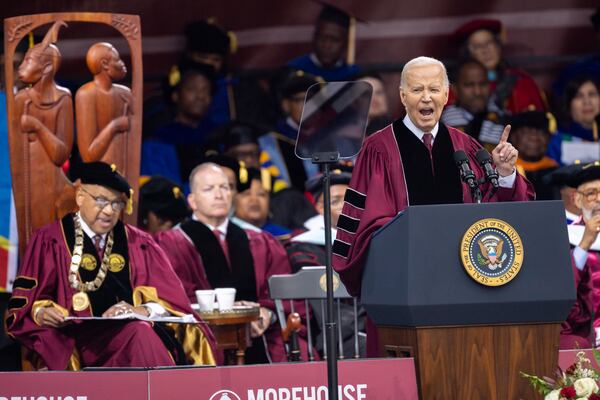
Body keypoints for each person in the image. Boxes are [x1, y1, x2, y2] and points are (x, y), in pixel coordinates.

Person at [332, 56, 535, 356]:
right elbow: (364, 225)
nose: (426, 97)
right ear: (402, 96)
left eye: (433, 89)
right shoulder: (378, 149)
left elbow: (499, 219)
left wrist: (505, 174)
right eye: (416, 90)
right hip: (404, 291)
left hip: (468, 287)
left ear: (446, 95)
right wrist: (414, 233)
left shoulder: (466, 148)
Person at [4, 162, 217, 370]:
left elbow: (172, 300)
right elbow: (24, 303)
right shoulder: (50, 240)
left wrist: (140, 309)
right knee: (140, 333)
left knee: (141, 331)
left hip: (132, 333)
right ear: (80, 197)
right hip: (76, 341)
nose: (108, 211)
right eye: (101, 200)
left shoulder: (139, 242)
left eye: (117, 204)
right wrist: (42, 312)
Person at [155, 163, 313, 363]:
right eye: (209, 189)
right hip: (204, 333)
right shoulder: (171, 244)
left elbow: (284, 291)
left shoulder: (260, 241)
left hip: (260, 334)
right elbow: (175, 297)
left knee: (295, 351)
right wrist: (226, 312)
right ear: (192, 201)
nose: (219, 194)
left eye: (225, 187)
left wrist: (267, 313)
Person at [286, 168, 366, 358]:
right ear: (320, 208)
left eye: (350, 199)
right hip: (338, 336)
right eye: (336, 201)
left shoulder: (372, 239)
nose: (346, 206)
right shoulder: (305, 248)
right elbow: (323, 306)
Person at [140, 66, 216, 190]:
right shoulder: (159, 142)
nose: (200, 96)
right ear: (175, 96)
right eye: (192, 89)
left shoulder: (216, 136)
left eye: (206, 90)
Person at [453, 19, 546, 114]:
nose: (485, 51)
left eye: (489, 43)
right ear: (467, 54)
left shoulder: (521, 81)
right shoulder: (459, 88)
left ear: (498, 46)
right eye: (477, 46)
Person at [559, 161, 600, 348]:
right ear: (577, 200)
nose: (599, 199)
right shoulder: (564, 237)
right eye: (591, 193)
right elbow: (564, 297)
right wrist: (585, 243)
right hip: (585, 333)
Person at [259, 70, 321, 192]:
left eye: (312, 99)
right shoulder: (271, 143)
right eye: (301, 100)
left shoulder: (328, 136)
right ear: (286, 105)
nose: (308, 106)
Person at [75, 42, 133, 172]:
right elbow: (89, 155)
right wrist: (114, 125)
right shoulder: (86, 94)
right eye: (117, 60)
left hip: (125, 170)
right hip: (102, 176)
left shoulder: (125, 94)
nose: (122, 64)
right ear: (104, 64)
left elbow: (134, 139)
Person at [441, 59, 505, 148]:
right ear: (455, 89)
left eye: (482, 84)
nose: (477, 92)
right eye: (469, 85)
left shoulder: (503, 119)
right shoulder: (440, 122)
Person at [288, 5, 361, 82]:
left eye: (334, 40)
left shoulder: (353, 75)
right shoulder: (295, 70)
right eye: (322, 38)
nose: (327, 45)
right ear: (314, 38)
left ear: (345, 43)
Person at [547, 76, 600, 165]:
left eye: (592, 94)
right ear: (568, 104)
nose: (587, 102)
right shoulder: (557, 141)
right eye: (579, 96)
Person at [231, 167, 291, 240]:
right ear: (233, 199)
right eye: (246, 194)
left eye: (261, 194)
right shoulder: (226, 235)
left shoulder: (286, 236)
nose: (254, 200)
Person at [510, 111, 559, 200]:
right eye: (527, 131)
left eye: (541, 132)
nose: (534, 137)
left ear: (549, 139)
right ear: (514, 137)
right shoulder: (504, 172)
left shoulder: (556, 173)